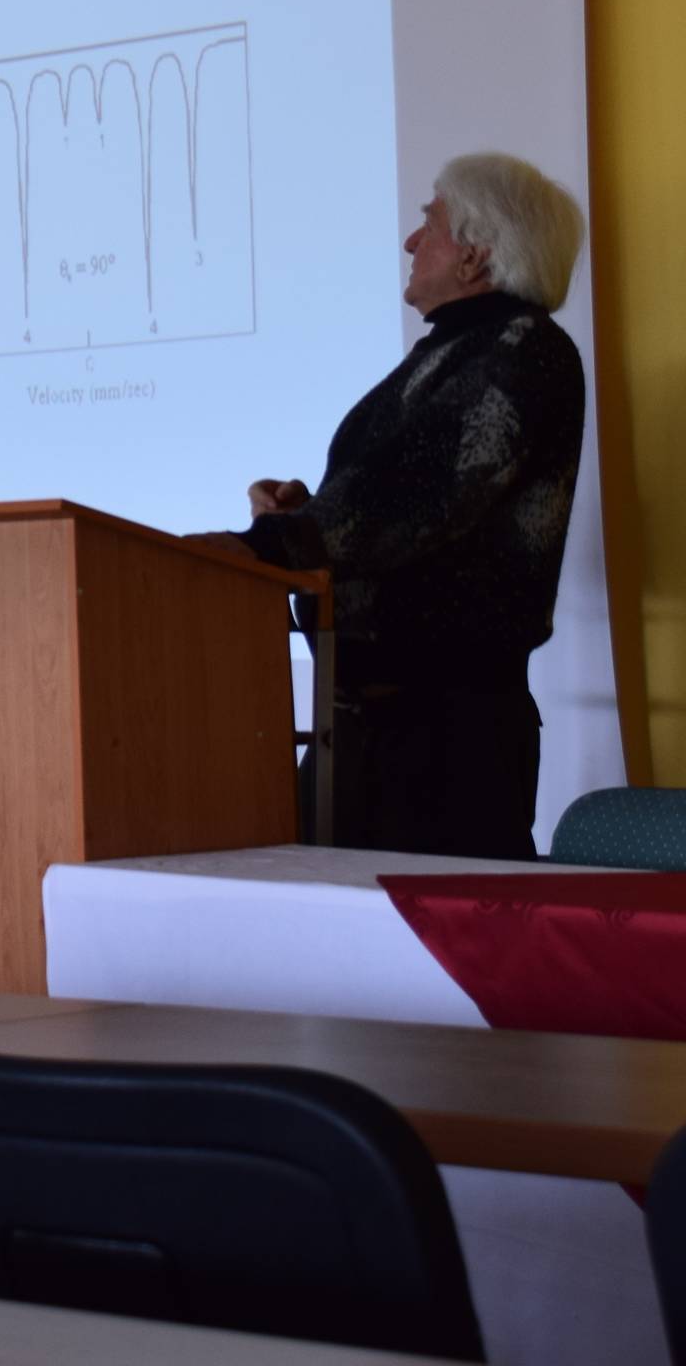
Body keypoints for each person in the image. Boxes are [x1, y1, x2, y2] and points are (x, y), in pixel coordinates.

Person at [227, 152, 586, 860]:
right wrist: (305, 516)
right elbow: (413, 506)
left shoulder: (524, 352)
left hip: (441, 748)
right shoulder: (454, 350)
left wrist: (260, 546)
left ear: (477, 255)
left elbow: (416, 498)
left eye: (432, 224)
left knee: (424, 931)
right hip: (368, 730)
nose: (412, 241)